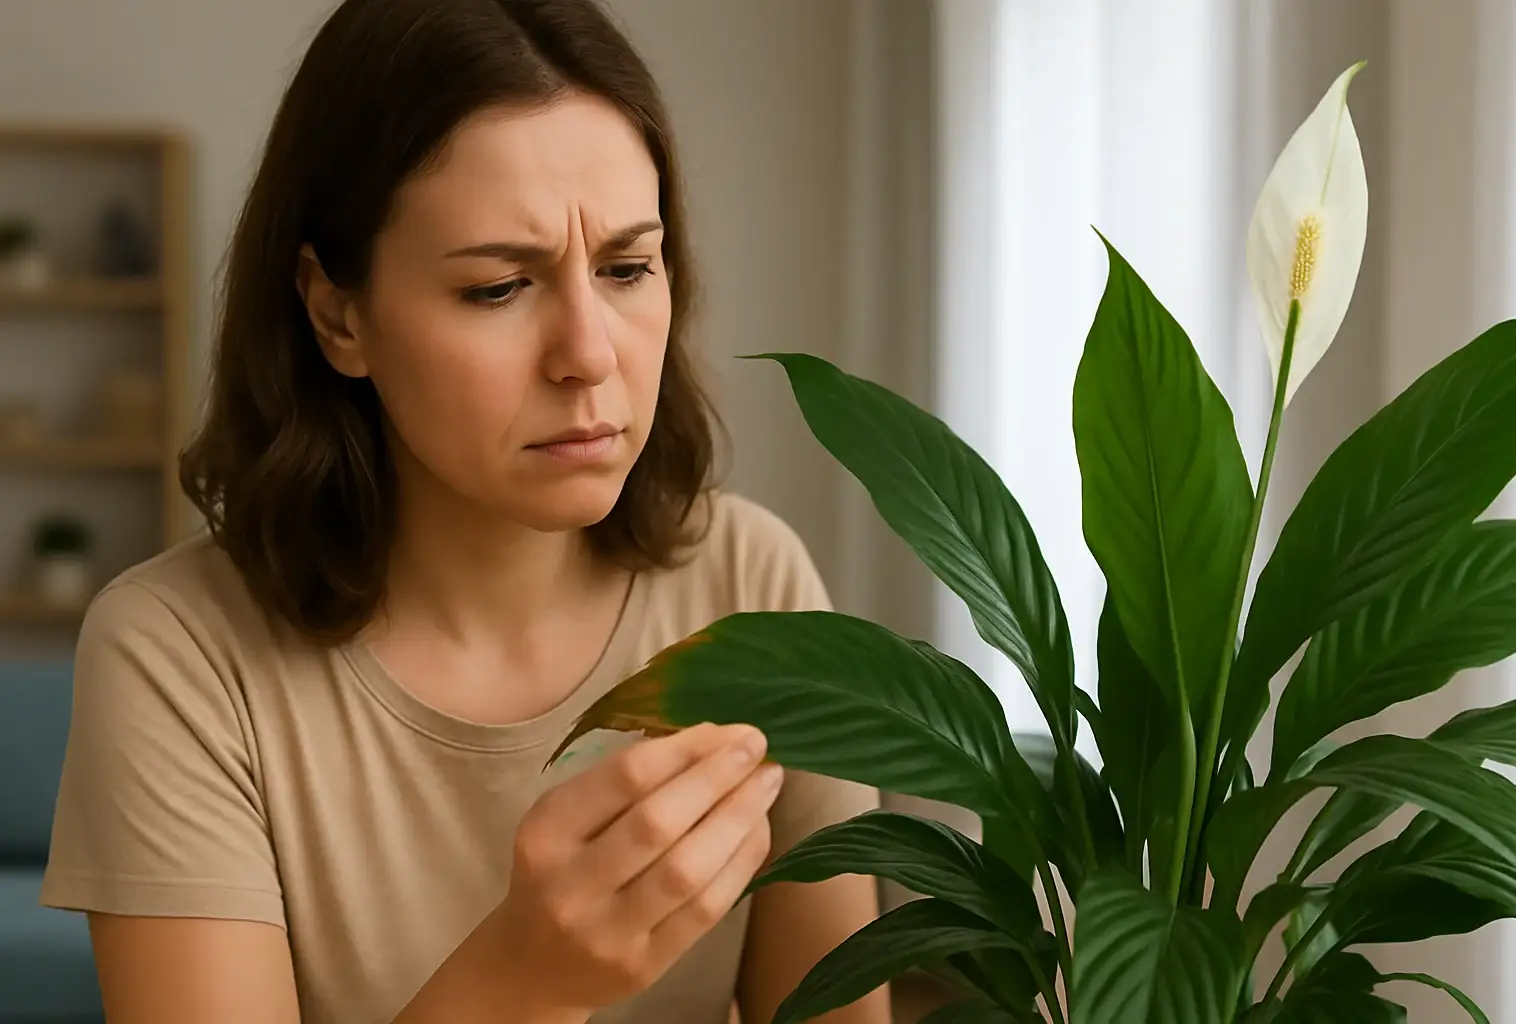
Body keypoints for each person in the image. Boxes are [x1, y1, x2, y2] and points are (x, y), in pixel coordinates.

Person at [38, 1, 890, 1021]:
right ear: (335, 313)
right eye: (497, 287)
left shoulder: (754, 583)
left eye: (626, 268)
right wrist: (526, 980)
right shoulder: (178, 657)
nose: (589, 352)